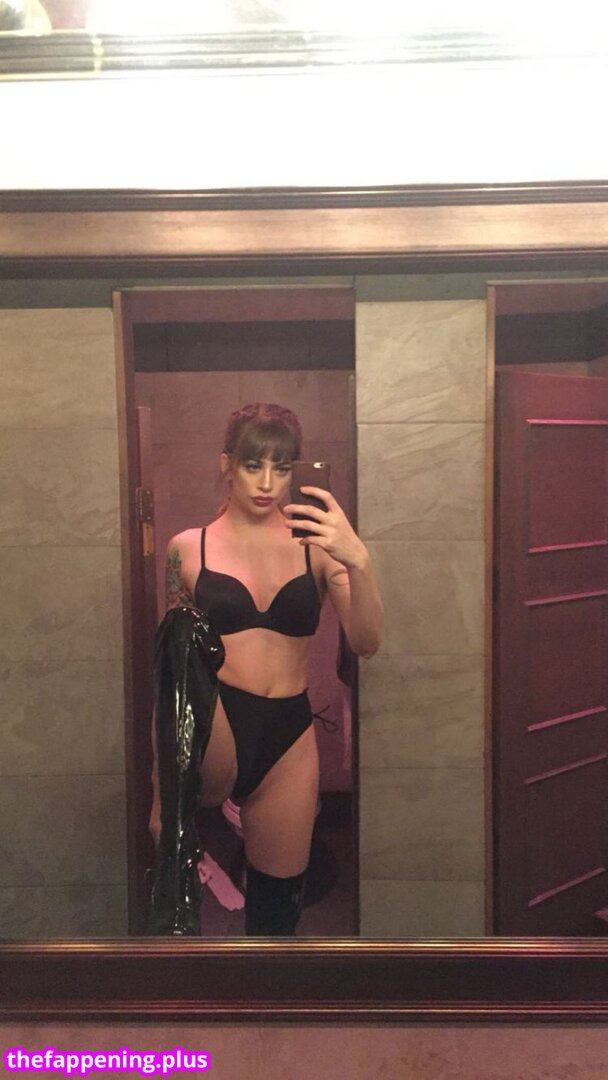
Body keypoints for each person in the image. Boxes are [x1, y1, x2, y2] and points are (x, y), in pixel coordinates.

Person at [149, 402, 383, 935]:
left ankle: (262, 991)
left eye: (281, 467)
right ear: (227, 464)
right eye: (253, 465)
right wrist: (162, 792)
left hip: (287, 734)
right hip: (216, 724)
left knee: (277, 912)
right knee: (177, 890)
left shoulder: (317, 548)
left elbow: (366, 642)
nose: (267, 483)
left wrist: (358, 560)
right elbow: (173, 678)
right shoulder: (187, 549)